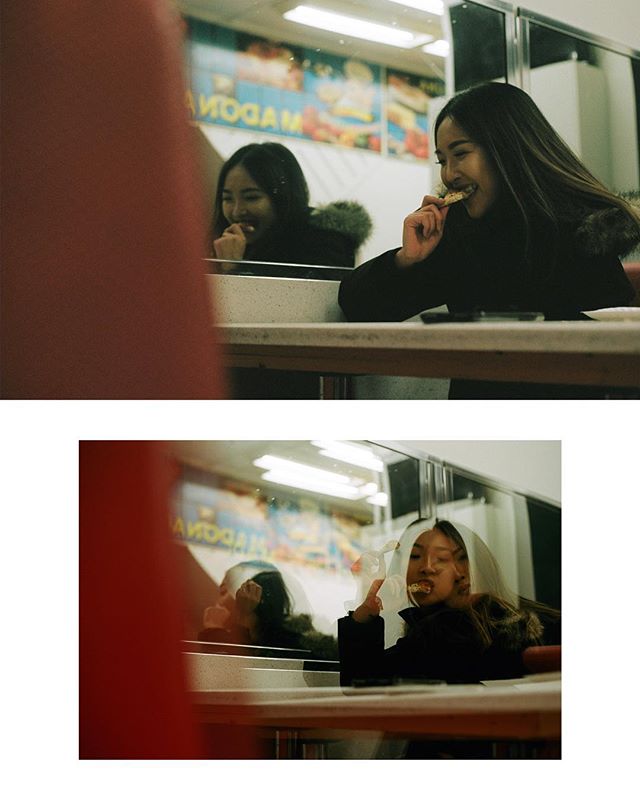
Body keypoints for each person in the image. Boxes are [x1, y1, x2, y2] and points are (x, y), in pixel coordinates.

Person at [338, 82, 640, 399]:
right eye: (442, 160)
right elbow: (358, 308)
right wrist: (406, 259)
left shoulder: (584, 230)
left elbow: (615, 348)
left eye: (461, 154)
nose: (449, 174)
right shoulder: (457, 233)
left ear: (506, 149)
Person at [338, 518, 560, 688]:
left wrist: (366, 611)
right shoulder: (532, 616)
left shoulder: (441, 634)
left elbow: (362, 684)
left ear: (470, 569)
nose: (427, 568)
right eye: (414, 557)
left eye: (442, 558)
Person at [211, 141, 372, 267]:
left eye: (252, 197)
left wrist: (233, 267)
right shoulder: (226, 246)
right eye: (228, 199)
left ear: (283, 197)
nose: (237, 211)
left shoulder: (323, 243)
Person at [198, 560, 338, 660]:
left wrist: (214, 630)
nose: (218, 602)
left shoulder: (287, 646)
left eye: (223, 592)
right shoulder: (283, 639)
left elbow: (229, 674)